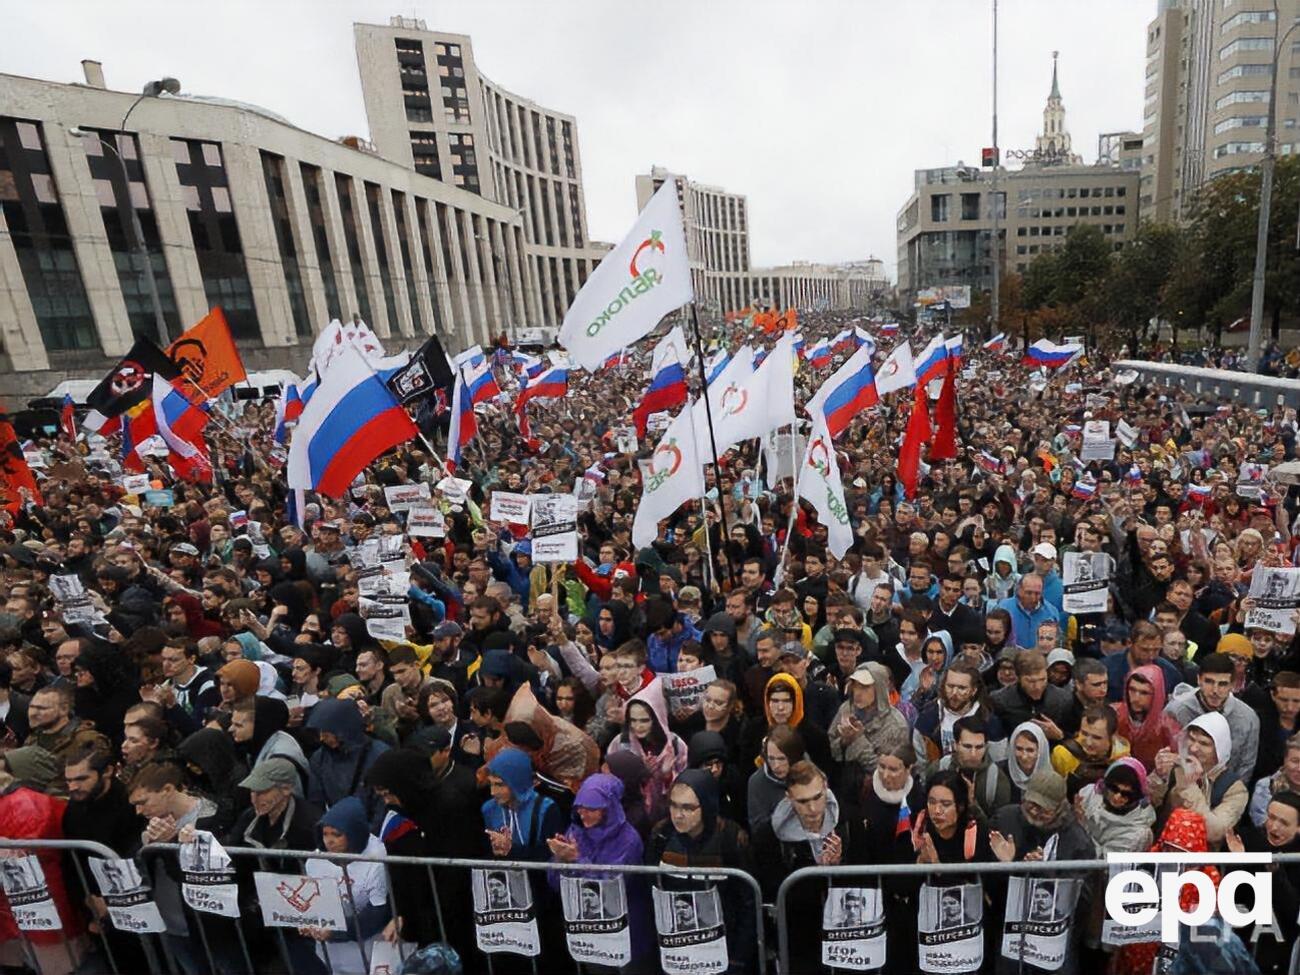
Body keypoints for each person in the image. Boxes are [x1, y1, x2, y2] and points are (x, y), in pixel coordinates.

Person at [644, 769, 756, 971]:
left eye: (688, 808)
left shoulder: (731, 838)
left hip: (722, 947)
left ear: (706, 805)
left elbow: (746, 900)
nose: (678, 815)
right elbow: (651, 888)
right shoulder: (661, 835)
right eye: (673, 805)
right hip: (676, 948)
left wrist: (739, 956)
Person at [545, 772, 651, 962]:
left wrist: (577, 859)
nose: (583, 813)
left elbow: (612, 886)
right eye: (579, 807)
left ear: (608, 808)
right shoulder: (575, 831)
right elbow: (555, 884)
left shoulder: (629, 839)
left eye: (591, 808)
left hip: (627, 928)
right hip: (590, 927)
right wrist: (561, 859)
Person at [302, 797, 390, 974]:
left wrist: (338, 931)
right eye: (325, 834)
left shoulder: (376, 858)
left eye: (336, 834)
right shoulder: (314, 861)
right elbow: (310, 899)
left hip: (368, 948)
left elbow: (377, 912)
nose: (329, 841)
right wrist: (305, 921)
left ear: (353, 833)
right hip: (331, 953)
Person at [1148, 711, 1248, 848]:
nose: (1194, 748)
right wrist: (1159, 776)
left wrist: (1188, 784)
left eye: (1204, 744)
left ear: (1219, 748)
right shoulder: (1175, 767)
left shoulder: (1235, 789)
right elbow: (1146, 805)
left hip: (1202, 861)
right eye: (1191, 739)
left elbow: (1214, 832)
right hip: (1164, 850)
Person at [1163, 652, 1261, 786]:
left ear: (1232, 684)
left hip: (1224, 793)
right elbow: (1167, 757)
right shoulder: (1176, 711)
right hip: (1180, 787)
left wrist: (1229, 795)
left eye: (1222, 684)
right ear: (1199, 680)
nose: (1215, 690)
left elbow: (1245, 767)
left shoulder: (1247, 719)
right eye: (1209, 681)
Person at [605, 678, 687, 824]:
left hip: (668, 818)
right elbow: (610, 783)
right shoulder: (620, 743)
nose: (638, 726)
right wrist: (641, 773)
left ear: (656, 719)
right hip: (631, 818)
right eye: (633, 720)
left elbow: (685, 788)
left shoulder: (675, 745)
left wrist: (667, 775)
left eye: (644, 720)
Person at [829, 662, 909, 800]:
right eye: (855, 686)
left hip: (878, 795)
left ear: (878, 688)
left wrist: (858, 740)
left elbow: (887, 772)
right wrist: (843, 741)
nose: (858, 693)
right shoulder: (846, 709)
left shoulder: (896, 724)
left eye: (865, 687)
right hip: (842, 785)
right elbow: (832, 752)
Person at [1112, 666, 1181, 773]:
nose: (1136, 698)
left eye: (1144, 693)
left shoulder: (1169, 728)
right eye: (1132, 690)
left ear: (1157, 695)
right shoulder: (1113, 714)